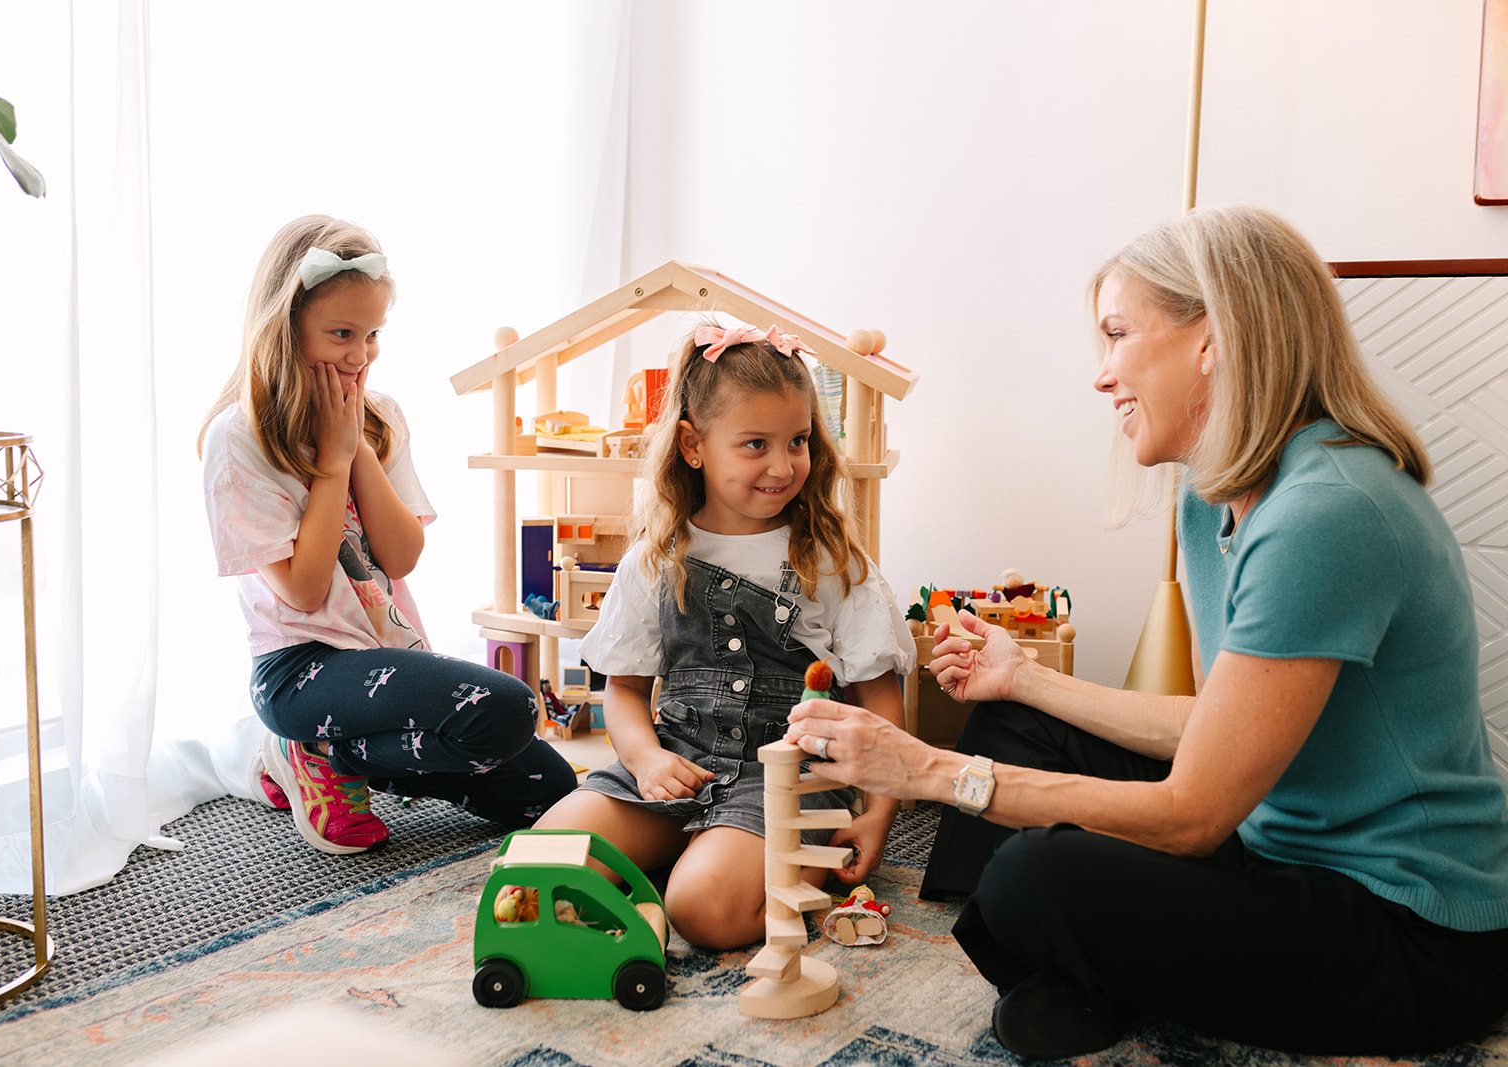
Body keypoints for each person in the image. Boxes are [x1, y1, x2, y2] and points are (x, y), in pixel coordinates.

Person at [785, 204, 1508, 1058]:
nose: (1102, 375)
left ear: (1213, 338)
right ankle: (1101, 960)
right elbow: (1215, 727)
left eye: (1119, 334)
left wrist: (927, 770)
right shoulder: (1216, 495)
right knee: (1011, 723)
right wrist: (1022, 677)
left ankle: (1090, 963)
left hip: (1409, 929)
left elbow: (1195, 813)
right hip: (1273, 845)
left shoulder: (1331, 511)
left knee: (1028, 870)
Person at [198, 215, 576, 855]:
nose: (359, 354)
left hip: (388, 649)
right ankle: (305, 744)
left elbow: (401, 556)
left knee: (555, 793)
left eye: (371, 335)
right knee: (507, 707)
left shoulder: (382, 419)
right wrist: (332, 463)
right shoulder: (238, 440)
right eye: (341, 334)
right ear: (284, 327)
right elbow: (304, 591)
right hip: (299, 668)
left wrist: (358, 446)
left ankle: (339, 756)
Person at [534, 321, 916, 950]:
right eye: (755, 444)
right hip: (677, 763)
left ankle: (708, 867)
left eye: (797, 441)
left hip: (790, 778)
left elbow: (879, 699)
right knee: (541, 866)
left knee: (703, 912)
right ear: (692, 445)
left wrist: (878, 810)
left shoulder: (830, 558)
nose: (783, 464)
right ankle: (689, 846)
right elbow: (625, 691)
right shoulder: (656, 557)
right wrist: (647, 759)